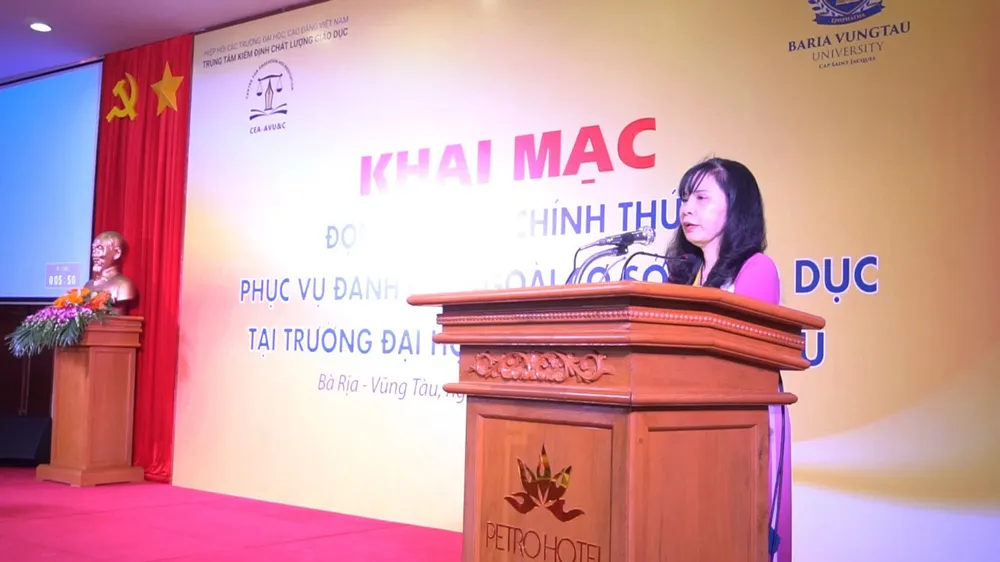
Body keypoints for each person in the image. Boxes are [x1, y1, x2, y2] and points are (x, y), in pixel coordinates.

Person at [664, 157, 790, 562]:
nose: (687, 209)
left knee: (738, 532)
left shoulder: (756, 269)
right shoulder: (684, 276)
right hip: (688, 420)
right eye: (684, 199)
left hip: (743, 424)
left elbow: (747, 358)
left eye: (701, 198)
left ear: (735, 208)